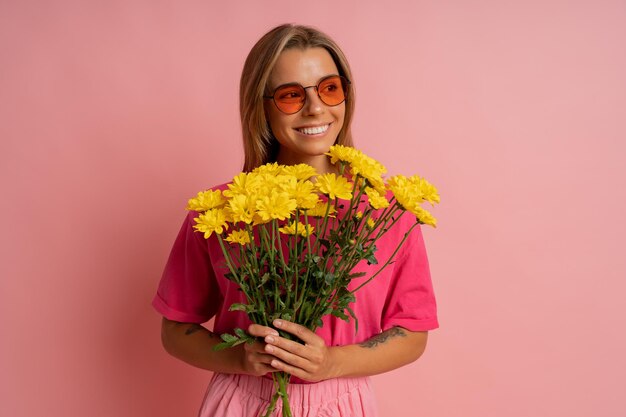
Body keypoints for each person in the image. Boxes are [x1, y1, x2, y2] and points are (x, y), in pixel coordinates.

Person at [152, 23, 439, 417]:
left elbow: (412, 333)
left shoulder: (388, 213)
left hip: (342, 403)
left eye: (330, 88)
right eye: (290, 96)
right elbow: (175, 331)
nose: (316, 108)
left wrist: (332, 363)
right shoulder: (219, 211)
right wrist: (238, 359)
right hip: (241, 401)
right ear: (261, 106)